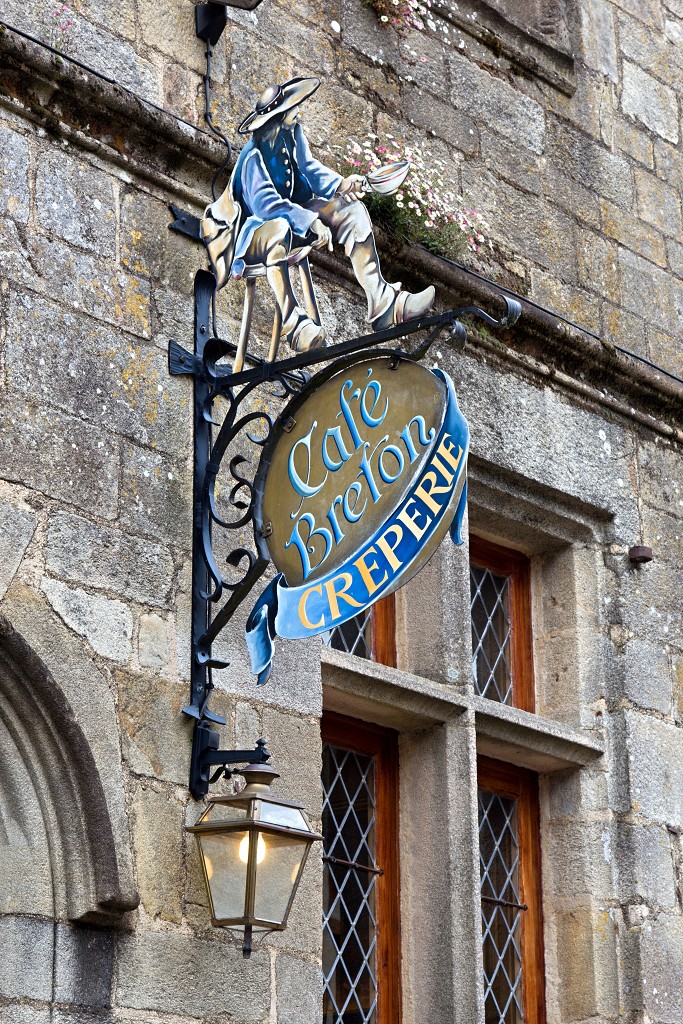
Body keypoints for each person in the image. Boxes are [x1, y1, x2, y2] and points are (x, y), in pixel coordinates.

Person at [201, 76, 435, 353]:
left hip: (292, 221)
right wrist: (309, 219)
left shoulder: (292, 134)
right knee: (277, 228)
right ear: (279, 116)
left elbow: (310, 168)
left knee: (351, 211)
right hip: (252, 235)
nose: (298, 110)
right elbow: (266, 205)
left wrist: (343, 184)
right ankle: (295, 325)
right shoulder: (252, 157)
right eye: (293, 107)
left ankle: (385, 303)